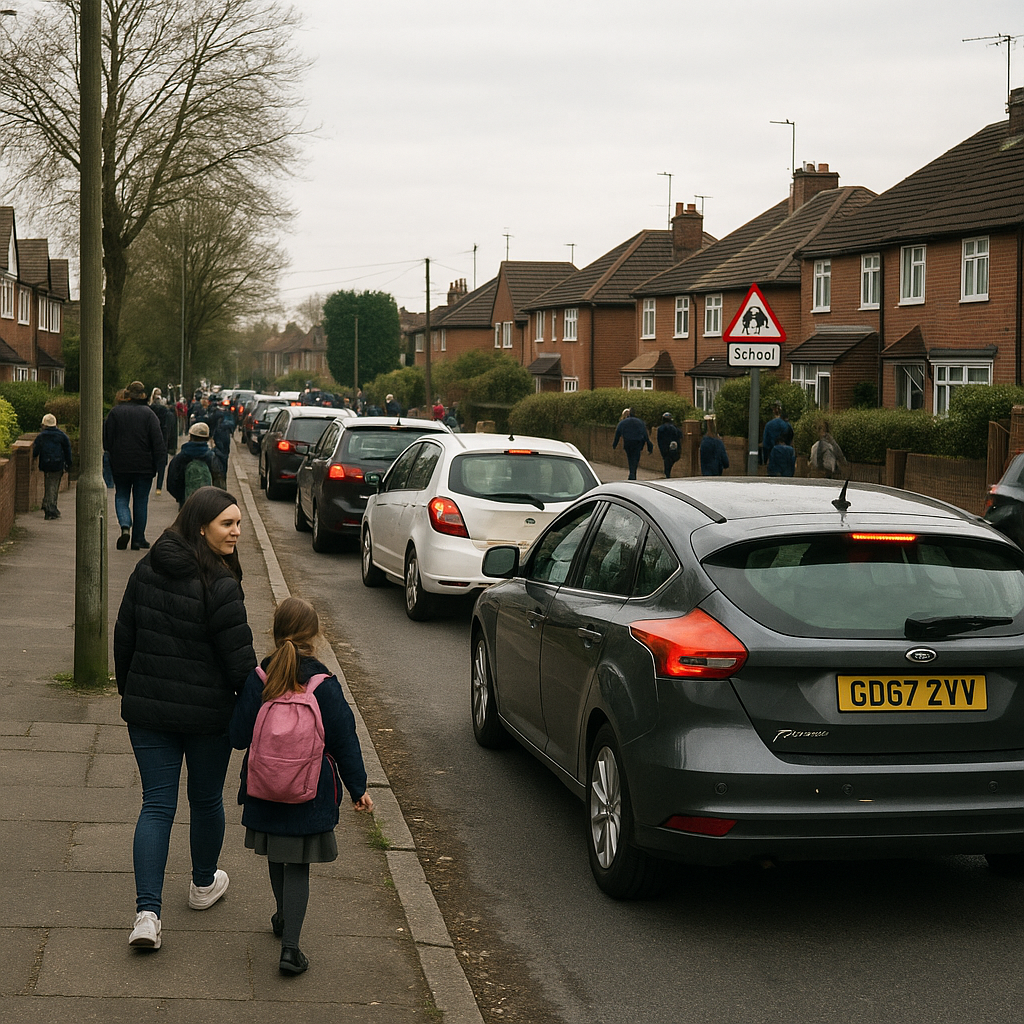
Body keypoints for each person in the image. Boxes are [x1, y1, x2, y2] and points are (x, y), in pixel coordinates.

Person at [114, 487, 257, 952]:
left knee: (156, 805)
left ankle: (147, 915)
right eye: (227, 524)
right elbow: (241, 665)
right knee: (206, 799)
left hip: (149, 710)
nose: (237, 532)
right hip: (208, 716)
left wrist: (131, 690)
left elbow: (124, 635)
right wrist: (251, 712)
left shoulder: (147, 567)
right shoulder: (220, 583)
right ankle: (201, 887)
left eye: (238, 523)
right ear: (201, 527)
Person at [229, 597, 373, 975]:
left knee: (278, 854)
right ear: (315, 637)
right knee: (299, 865)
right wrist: (358, 788)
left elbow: (239, 736)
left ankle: (282, 916)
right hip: (310, 792)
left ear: (275, 634)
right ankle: (290, 948)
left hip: (265, 787)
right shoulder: (323, 684)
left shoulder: (260, 677)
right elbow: (344, 740)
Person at [104, 380, 167, 550]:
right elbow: (158, 442)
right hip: (144, 466)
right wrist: (160, 463)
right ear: (143, 395)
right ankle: (138, 539)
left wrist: (113, 455)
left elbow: (106, 440)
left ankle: (125, 526)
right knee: (140, 501)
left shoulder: (115, 413)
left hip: (120, 464)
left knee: (121, 496)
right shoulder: (149, 414)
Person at [166, 422, 225, 507]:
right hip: (207, 504)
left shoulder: (180, 457)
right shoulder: (212, 457)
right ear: (207, 438)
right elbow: (219, 481)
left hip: (186, 504)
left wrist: (181, 498)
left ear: (190, 437)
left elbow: (171, 482)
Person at [32, 413, 73, 519]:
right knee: (54, 486)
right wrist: (69, 463)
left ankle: (48, 505)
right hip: (58, 463)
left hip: (46, 463)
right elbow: (67, 450)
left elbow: (35, 450)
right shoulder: (62, 436)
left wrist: (33, 458)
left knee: (49, 484)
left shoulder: (41, 436)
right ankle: (51, 508)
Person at [149, 388, 177, 495]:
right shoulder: (166, 412)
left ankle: (153, 485)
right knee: (161, 466)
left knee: (152, 465)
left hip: (152, 441)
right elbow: (171, 429)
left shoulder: (149, 409)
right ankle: (158, 487)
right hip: (162, 441)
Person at [612, 408, 653, 480]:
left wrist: (615, 444)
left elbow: (617, 433)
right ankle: (633, 472)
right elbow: (645, 434)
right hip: (638, 443)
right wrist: (649, 445)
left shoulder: (623, 422)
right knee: (636, 458)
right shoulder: (640, 422)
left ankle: (632, 473)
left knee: (630, 457)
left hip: (628, 442)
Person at [656, 412, 683, 479]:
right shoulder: (675, 428)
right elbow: (681, 436)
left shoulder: (661, 429)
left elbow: (659, 440)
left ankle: (667, 475)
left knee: (667, 462)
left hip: (665, 449)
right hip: (675, 449)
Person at [761, 401, 788, 466]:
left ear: (774, 410)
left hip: (773, 456)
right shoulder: (787, 425)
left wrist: (765, 460)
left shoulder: (769, 425)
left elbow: (765, 444)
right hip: (785, 456)